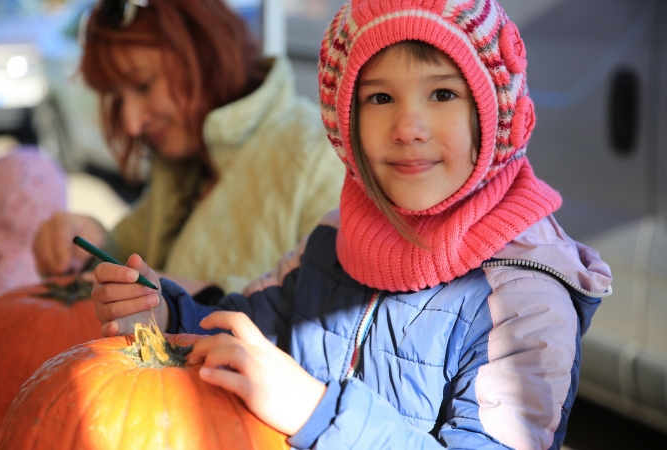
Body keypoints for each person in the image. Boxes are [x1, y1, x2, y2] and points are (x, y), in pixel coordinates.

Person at [91, 0, 613, 447]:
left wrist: (317, 413)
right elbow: (241, 330)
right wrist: (162, 308)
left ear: (493, 110)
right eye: (380, 98)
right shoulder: (331, 241)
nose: (408, 128)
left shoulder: (523, 300)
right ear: (346, 121)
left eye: (443, 94)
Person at [33, 0, 344, 299]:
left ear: (204, 53)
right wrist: (89, 243)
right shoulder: (183, 160)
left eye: (143, 85)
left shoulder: (320, 154)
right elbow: (123, 259)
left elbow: (326, 320)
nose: (130, 123)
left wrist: (180, 298)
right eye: (117, 98)